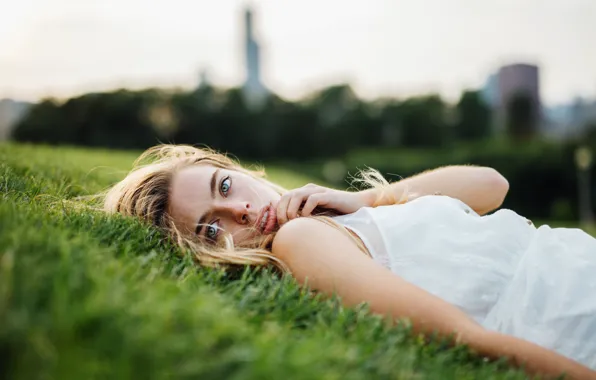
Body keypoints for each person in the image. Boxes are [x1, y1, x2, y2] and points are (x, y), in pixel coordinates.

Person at [103, 144, 596, 379]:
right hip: (567, 309)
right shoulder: (300, 240)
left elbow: (492, 185)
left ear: (241, 171)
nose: (241, 211)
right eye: (213, 228)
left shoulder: (348, 213)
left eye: (225, 187)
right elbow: (466, 337)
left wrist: (369, 199)